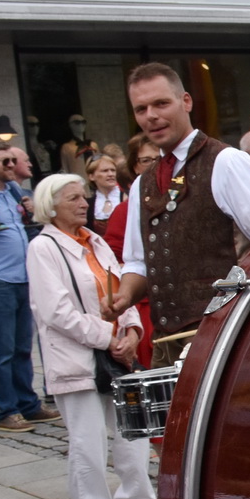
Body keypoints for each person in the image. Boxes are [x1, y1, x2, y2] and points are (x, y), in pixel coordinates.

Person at [108, 63, 250, 344]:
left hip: (223, 337)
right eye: (141, 109)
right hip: (166, 340)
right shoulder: (142, 184)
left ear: (185, 101)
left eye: (161, 104)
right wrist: (124, 296)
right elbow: (138, 262)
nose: (152, 116)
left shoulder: (226, 162)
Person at [26, 173, 154, 499]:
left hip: (114, 355)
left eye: (83, 197)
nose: (83, 203)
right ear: (51, 206)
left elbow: (120, 291)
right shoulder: (44, 247)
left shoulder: (95, 241)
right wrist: (110, 336)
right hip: (75, 360)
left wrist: (131, 331)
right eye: (73, 199)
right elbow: (56, 312)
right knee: (88, 440)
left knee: (133, 432)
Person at [0, 142, 57, 432]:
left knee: (23, 348)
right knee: (2, 350)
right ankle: (7, 412)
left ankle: (29, 405)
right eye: (5, 161)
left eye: (14, 160)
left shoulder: (12, 193)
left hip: (22, 279)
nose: (12, 166)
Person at [105, 136, 158, 368]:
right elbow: (115, 258)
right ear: (135, 165)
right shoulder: (124, 211)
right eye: (146, 160)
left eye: (159, 158)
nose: (153, 164)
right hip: (145, 301)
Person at [86, 155, 124, 235]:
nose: (111, 174)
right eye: (105, 171)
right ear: (91, 176)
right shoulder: (88, 204)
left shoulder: (127, 197)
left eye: (113, 170)